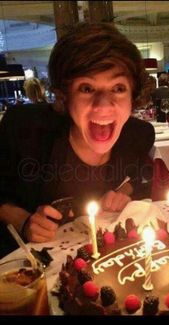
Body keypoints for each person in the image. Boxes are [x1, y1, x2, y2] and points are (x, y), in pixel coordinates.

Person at [0, 22, 155, 251]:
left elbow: (140, 176)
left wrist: (122, 193)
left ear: (133, 96)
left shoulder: (139, 134)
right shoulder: (25, 129)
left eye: (118, 88)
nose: (103, 106)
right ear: (65, 95)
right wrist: (24, 221)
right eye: (86, 88)